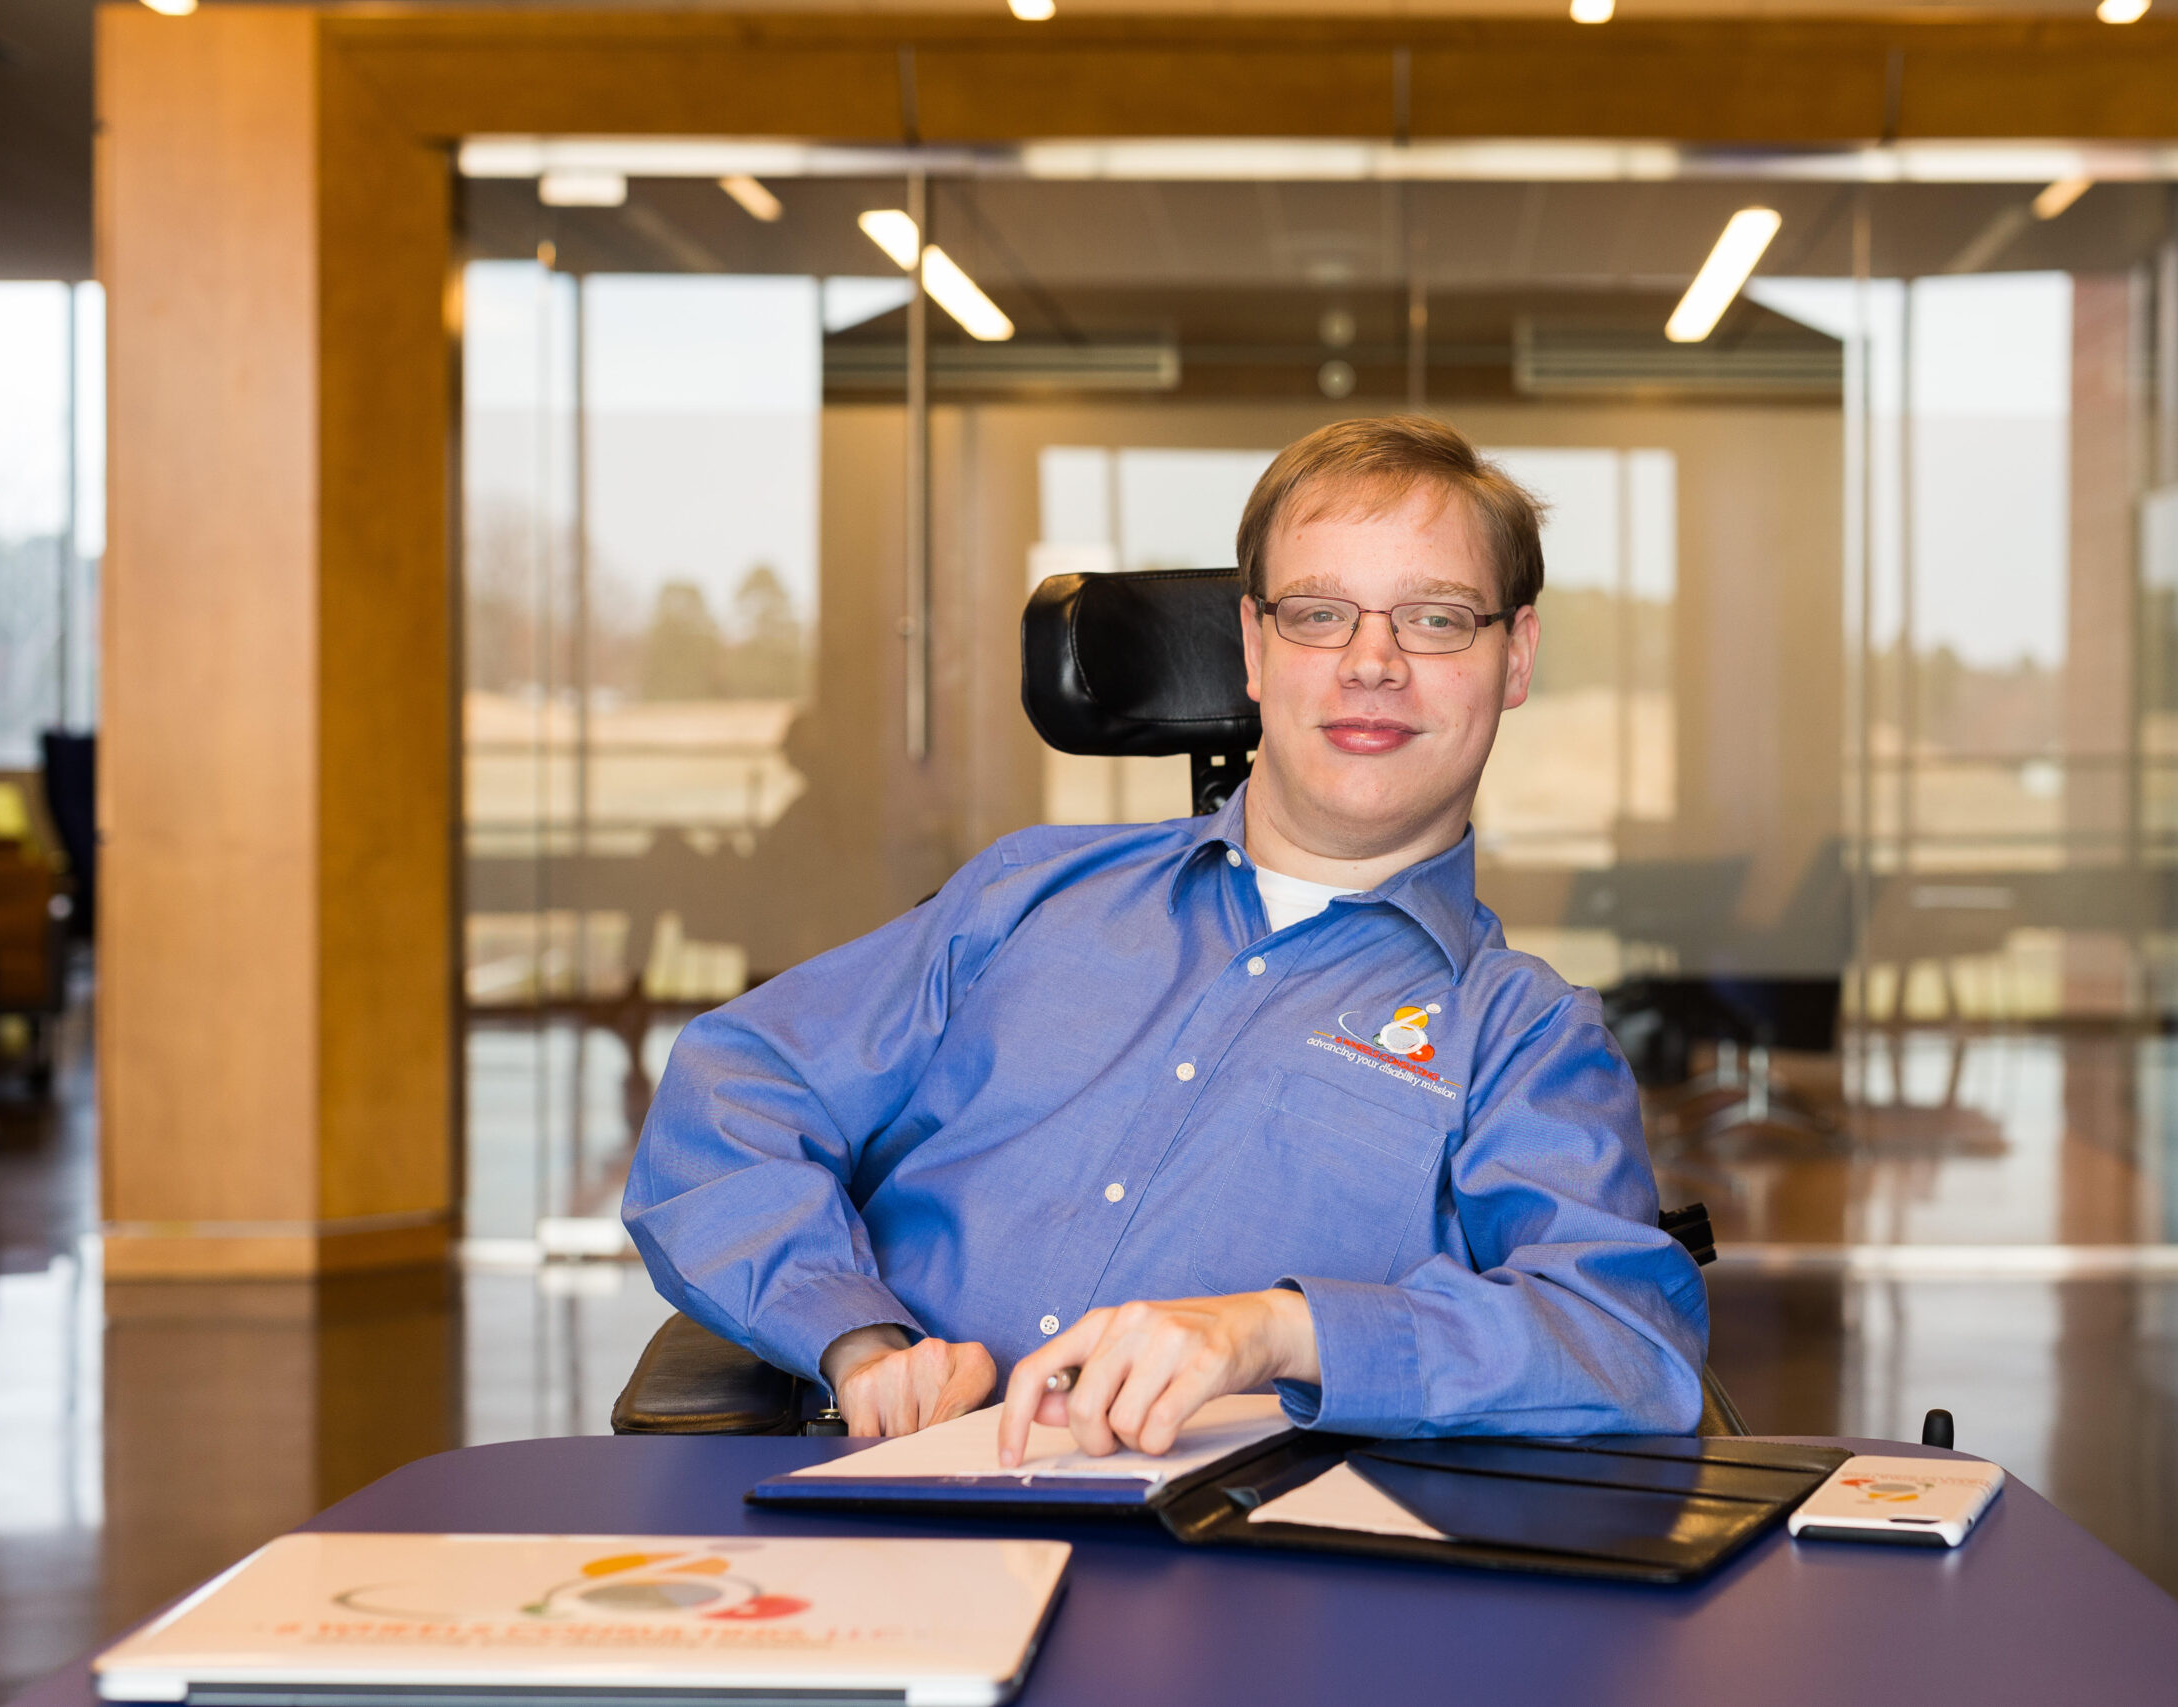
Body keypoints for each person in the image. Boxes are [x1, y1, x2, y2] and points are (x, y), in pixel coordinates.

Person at [621, 416, 1707, 1462]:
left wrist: (1277, 1332)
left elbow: (1626, 1339)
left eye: (1433, 617)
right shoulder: (1025, 894)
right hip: (894, 1512)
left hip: (1237, 1585)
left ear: (1513, 658)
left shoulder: (1525, 1036)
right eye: (1319, 613)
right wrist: (857, 1335)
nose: (1371, 662)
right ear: (1252, 644)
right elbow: (733, 1092)